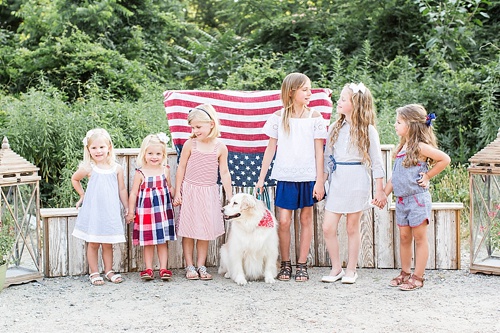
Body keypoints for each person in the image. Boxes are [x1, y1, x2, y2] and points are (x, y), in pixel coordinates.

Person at [255, 73, 327, 282]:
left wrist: (320, 181)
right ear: (292, 91)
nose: (309, 93)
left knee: (306, 219)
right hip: (285, 177)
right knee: (284, 221)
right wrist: (261, 178)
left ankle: (301, 264)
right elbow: (270, 149)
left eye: (310, 89)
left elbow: (319, 152)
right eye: (304, 89)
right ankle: (285, 263)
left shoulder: (315, 118)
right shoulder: (279, 117)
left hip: (308, 176)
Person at [321, 83, 386, 284]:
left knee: (352, 226)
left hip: (357, 179)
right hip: (338, 179)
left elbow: (376, 162)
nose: (338, 102)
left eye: (343, 99)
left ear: (355, 104)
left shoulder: (368, 130)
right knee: (328, 227)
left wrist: (380, 190)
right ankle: (336, 268)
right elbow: (326, 158)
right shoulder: (334, 128)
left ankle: (351, 269)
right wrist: (320, 182)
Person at [380, 104, 450, 290]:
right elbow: (395, 177)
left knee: (419, 237)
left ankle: (418, 277)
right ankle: (405, 273)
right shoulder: (402, 147)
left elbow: (445, 159)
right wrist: (384, 195)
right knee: (404, 237)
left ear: (410, 125)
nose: (395, 125)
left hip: (417, 199)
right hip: (402, 200)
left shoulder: (420, 147)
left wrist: (427, 176)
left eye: (398, 121)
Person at [173, 104, 232, 280]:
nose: (195, 130)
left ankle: (201, 265)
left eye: (198, 127)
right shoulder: (190, 144)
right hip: (190, 191)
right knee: (189, 230)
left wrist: (229, 196)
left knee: (204, 231)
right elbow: (181, 167)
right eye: (192, 127)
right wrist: (178, 192)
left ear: (211, 124)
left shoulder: (220, 147)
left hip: (208, 192)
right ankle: (189, 265)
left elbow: (225, 172)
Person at [71, 128, 128, 286]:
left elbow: (122, 189)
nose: (98, 151)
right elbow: (75, 179)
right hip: (94, 212)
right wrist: (82, 195)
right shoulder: (89, 168)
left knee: (108, 243)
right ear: (88, 150)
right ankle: (94, 272)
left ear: (109, 147)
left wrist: (127, 206)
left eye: (101, 147)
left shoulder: (116, 168)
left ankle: (109, 270)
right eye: (94, 148)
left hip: (110, 212)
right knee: (94, 243)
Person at [126, 133, 176, 281]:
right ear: (144, 154)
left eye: (158, 153)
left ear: (163, 154)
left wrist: (178, 196)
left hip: (162, 211)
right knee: (148, 241)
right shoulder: (140, 172)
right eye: (150, 153)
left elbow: (169, 187)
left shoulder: (165, 170)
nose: (154, 157)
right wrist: (130, 211)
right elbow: (134, 193)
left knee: (162, 241)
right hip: (146, 213)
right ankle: (148, 268)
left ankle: (163, 268)